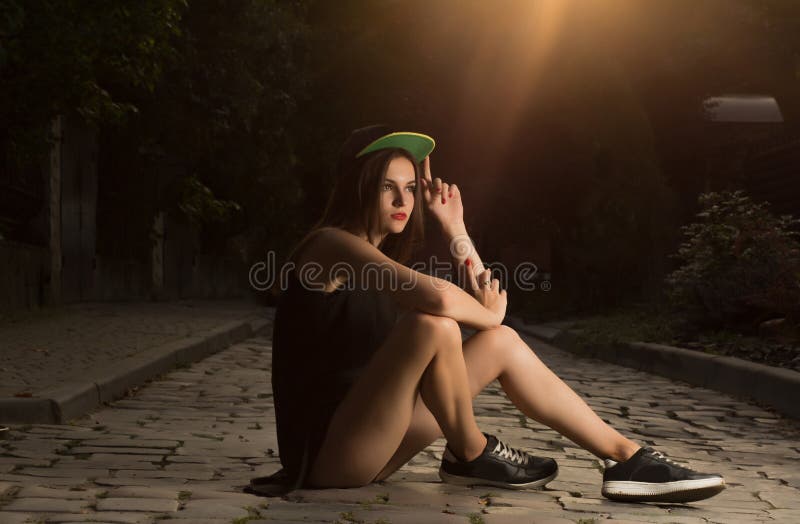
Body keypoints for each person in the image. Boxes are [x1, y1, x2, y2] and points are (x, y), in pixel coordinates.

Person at [261, 124, 725, 503]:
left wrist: (456, 228)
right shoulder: (328, 246)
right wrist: (488, 317)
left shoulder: (384, 260)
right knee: (432, 324)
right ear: (357, 187)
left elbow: (485, 305)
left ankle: (626, 458)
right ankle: (470, 451)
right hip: (330, 458)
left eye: (408, 188)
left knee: (498, 342)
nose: (403, 202)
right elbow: (446, 303)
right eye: (387, 188)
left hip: (379, 446)